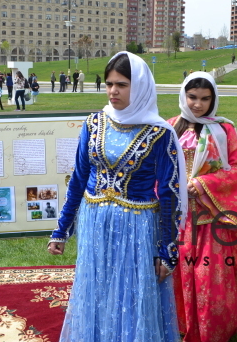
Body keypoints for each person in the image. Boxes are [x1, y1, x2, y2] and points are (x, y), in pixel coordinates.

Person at [48, 52, 186, 342]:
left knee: (132, 296)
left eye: (122, 84)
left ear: (140, 86)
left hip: (138, 229)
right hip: (95, 223)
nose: (113, 91)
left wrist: (167, 250)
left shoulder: (159, 132)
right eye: (110, 83)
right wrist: (61, 231)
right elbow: (79, 177)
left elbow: (170, 194)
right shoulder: (94, 123)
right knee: (96, 292)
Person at [167, 72, 237, 341]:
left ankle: (210, 328)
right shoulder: (170, 127)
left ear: (213, 99)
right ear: (183, 95)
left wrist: (203, 184)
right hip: (177, 218)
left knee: (207, 275)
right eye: (192, 97)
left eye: (205, 98)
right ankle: (178, 324)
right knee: (176, 270)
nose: (197, 104)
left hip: (210, 217)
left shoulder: (224, 130)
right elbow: (158, 169)